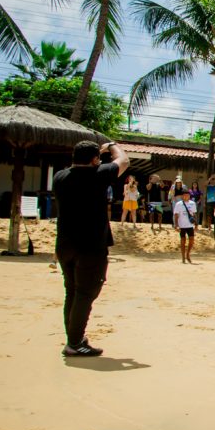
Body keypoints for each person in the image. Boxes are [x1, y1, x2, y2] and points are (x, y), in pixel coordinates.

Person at [53, 140, 129, 357]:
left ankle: (74, 338)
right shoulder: (98, 174)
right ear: (95, 160)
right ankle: (75, 343)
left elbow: (78, 166)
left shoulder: (60, 177)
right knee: (85, 293)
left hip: (65, 244)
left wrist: (97, 153)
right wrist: (112, 146)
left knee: (72, 291)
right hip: (90, 246)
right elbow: (123, 160)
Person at [172, 189, 198, 263]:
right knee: (183, 241)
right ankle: (183, 257)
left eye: (188, 195)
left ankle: (188, 254)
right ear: (182, 196)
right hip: (182, 225)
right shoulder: (178, 204)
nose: (187, 197)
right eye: (185, 195)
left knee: (191, 240)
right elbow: (176, 215)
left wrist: (196, 224)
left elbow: (194, 214)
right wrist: (176, 225)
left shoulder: (192, 203)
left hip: (190, 225)